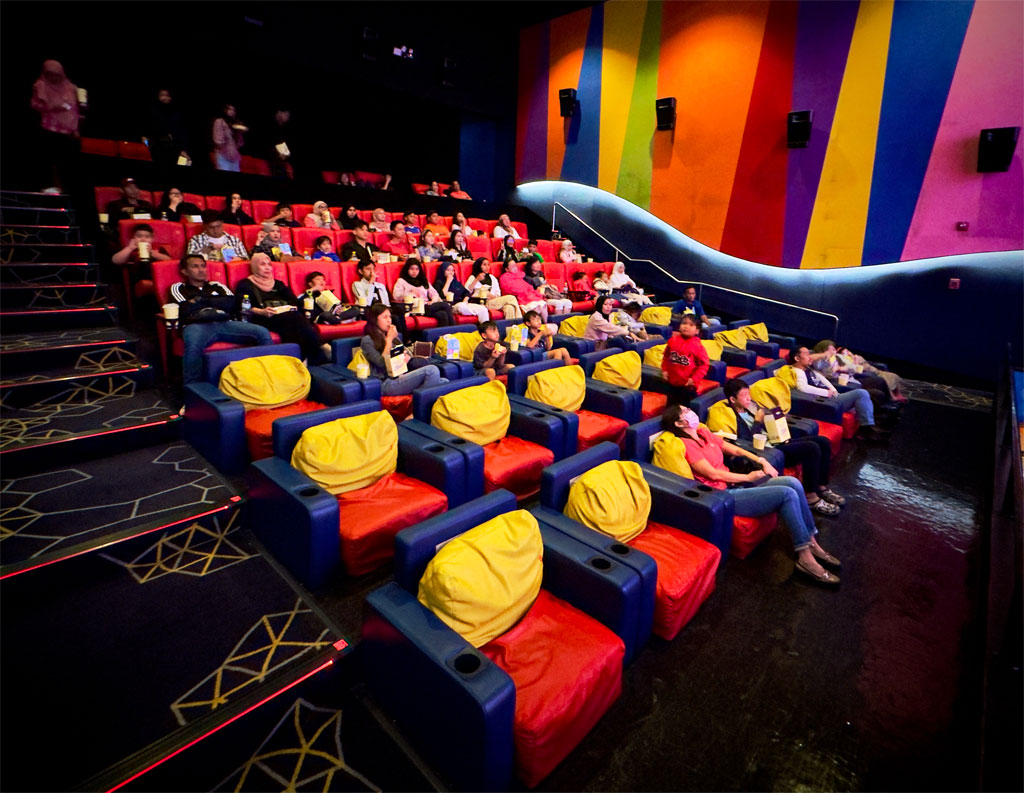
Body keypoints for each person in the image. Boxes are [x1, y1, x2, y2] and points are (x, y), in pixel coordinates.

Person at [662, 404, 841, 585]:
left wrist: (761, 460)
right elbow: (713, 474)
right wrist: (747, 477)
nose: (691, 413)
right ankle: (805, 557)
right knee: (786, 493)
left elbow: (736, 450)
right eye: (686, 412)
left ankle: (811, 542)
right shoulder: (686, 444)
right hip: (722, 495)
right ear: (679, 423)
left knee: (792, 482)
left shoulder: (703, 433)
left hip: (736, 485)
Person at [712, 378, 845, 515]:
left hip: (777, 441)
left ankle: (821, 487)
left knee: (823, 441)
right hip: (768, 451)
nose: (748, 398)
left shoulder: (750, 408)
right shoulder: (732, 416)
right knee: (811, 448)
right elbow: (748, 442)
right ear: (733, 399)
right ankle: (811, 497)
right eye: (744, 395)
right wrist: (757, 422)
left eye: (748, 394)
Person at [170, 254, 271, 384]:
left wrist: (199, 300)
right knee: (193, 346)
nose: (201, 270)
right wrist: (217, 301)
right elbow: (184, 309)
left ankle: (268, 375)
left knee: (262, 332)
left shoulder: (216, 285)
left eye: (203, 266)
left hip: (225, 323)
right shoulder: (178, 288)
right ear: (184, 271)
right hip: (196, 325)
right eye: (195, 266)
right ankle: (193, 388)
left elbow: (233, 303)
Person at [234, 253, 325, 363]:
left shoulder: (278, 284)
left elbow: (295, 302)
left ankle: (302, 358)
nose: (267, 268)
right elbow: (241, 307)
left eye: (269, 264)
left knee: (296, 318)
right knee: (295, 320)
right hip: (262, 317)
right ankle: (316, 353)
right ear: (255, 266)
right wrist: (261, 311)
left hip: (285, 316)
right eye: (263, 264)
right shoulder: (245, 284)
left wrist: (290, 307)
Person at [789, 346, 889, 441]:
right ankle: (866, 430)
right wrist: (826, 392)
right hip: (824, 402)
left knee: (869, 396)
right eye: (806, 354)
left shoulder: (808, 369)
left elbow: (824, 380)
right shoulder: (797, 371)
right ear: (797, 358)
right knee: (861, 393)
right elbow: (802, 388)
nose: (810, 356)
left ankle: (871, 426)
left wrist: (834, 391)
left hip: (832, 397)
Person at [361, 303, 447, 396]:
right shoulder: (367, 340)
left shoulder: (393, 337)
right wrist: (389, 340)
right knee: (431, 371)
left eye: (390, 317)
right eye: (385, 317)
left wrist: (406, 358)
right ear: (374, 320)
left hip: (402, 375)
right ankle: (420, 401)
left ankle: (422, 399)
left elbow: (406, 355)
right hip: (386, 382)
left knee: (444, 382)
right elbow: (382, 364)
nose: (389, 320)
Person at [31, 59, 82, 193]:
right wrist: (53, 107)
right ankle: (50, 188)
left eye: (56, 74)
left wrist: (75, 129)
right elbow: (35, 105)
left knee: (68, 164)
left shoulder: (70, 87)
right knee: (50, 161)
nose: (53, 77)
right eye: (50, 74)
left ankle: (68, 188)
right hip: (49, 130)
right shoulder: (41, 86)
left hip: (68, 132)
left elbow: (75, 109)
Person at [811, 340, 897, 408]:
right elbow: (828, 374)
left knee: (880, 381)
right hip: (844, 385)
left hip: (852, 379)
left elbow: (853, 368)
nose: (834, 352)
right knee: (877, 394)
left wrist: (843, 368)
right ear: (823, 351)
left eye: (834, 349)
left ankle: (892, 401)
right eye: (831, 350)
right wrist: (826, 358)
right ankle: (885, 411)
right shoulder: (820, 362)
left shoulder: (837, 357)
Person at [112, 223, 171, 300]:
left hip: (155, 280)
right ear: (133, 238)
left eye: (147, 237)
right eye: (139, 236)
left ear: (152, 239)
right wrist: (130, 248)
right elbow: (115, 260)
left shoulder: (156, 252)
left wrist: (152, 253)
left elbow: (171, 262)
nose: (143, 239)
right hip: (137, 281)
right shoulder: (129, 251)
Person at [835, 344, 908, 403]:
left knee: (893, 376)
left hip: (874, 370)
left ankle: (898, 394)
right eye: (844, 353)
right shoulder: (849, 361)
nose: (848, 353)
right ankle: (892, 396)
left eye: (847, 351)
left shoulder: (857, 356)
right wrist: (855, 360)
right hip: (867, 373)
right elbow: (856, 369)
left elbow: (867, 363)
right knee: (884, 380)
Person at [661, 314, 709, 404]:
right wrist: (664, 370)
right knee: (671, 408)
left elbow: (704, 365)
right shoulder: (672, 340)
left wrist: (694, 379)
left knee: (685, 409)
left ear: (697, 331)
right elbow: (666, 356)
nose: (686, 326)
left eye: (691, 325)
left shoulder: (697, 346)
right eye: (684, 323)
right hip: (672, 383)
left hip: (687, 386)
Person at [392, 259, 456, 326]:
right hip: (414, 307)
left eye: (417, 269)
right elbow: (396, 295)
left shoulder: (423, 280)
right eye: (411, 269)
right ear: (407, 269)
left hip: (427, 306)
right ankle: (455, 329)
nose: (414, 271)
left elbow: (434, 293)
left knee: (443, 314)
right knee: (445, 305)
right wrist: (409, 293)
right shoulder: (401, 281)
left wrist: (433, 301)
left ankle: (446, 332)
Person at [146, 89, 190, 177]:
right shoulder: (152, 112)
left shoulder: (177, 113)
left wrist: (183, 149)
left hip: (174, 149)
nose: (165, 98)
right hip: (157, 148)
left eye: (167, 95)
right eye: (162, 95)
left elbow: (182, 132)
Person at [211, 104, 246, 172]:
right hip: (223, 156)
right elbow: (218, 142)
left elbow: (240, 144)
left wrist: (239, 133)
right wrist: (227, 131)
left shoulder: (235, 124)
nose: (232, 112)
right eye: (230, 109)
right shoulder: (219, 121)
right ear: (225, 110)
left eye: (234, 110)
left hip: (234, 158)